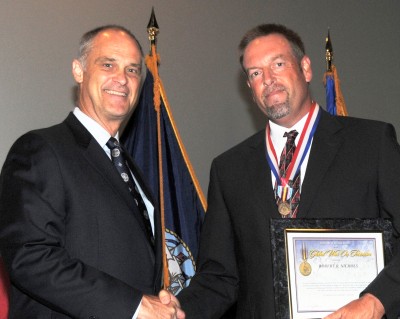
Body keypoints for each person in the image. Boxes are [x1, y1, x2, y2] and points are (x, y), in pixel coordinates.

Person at [177, 23, 400, 318]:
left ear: (306, 68)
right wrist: (177, 309)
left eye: (278, 64)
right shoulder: (228, 169)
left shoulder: (371, 144)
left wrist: (376, 301)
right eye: (255, 73)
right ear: (250, 88)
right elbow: (220, 276)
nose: (268, 79)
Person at [0, 25, 184, 319]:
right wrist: (135, 306)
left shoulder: (133, 169)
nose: (121, 79)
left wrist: (157, 300)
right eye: (108, 64)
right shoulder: (40, 149)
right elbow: (29, 257)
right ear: (78, 70)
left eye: (133, 70)